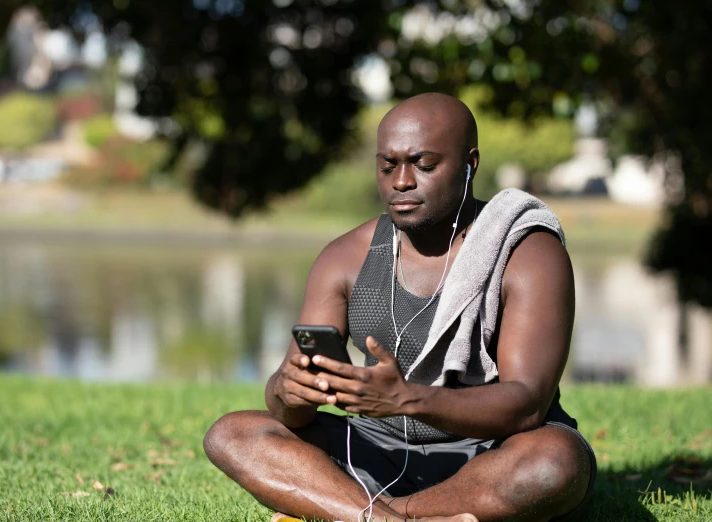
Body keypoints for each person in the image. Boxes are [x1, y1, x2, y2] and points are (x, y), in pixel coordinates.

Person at [203, 93, 596, 522]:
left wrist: (408, 399)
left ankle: (354, 512)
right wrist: (288, 391)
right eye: (387, 166)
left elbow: (526, 406)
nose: (401, 182)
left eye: (423, 165)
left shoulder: (528, 252)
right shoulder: (344, 257)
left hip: (489, 453)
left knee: (556, 460)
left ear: (471, 163)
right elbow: (289, 411)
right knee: (234, 434)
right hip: (374, 451)